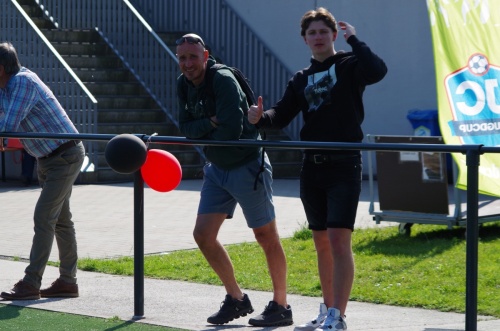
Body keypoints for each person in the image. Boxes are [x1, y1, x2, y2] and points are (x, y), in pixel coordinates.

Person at [248, 8, 387, 331]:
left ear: (334, 35)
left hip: (344, 165)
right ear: (305, 39)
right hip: (312, 167)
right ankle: (326, 309)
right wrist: (259, 117)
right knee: (321, 242)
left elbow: (377, 70)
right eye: (312, 33)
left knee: (339, 241)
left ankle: (338, 316)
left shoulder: (350, 65)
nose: (318, 37)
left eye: (324, 31)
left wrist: (356, 39)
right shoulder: (300, 78)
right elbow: (281, 115)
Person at [176, 33, 293, 327]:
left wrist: (204, 128)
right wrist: (209, 123)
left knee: (266, 236)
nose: (187, 63)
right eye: (182, 57)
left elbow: (229, 131)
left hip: (247, 165)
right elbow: (184, 128)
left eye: (193, 56)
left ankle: (281, 305)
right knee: (203, 235)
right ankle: (237, 299)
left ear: (206, 55)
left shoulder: (223, 79)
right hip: (216, 167)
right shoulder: (183, 84)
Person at [0, 42, 85, 300]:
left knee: (44, 217)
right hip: (47, 158)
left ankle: (31, 282)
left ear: (1, 68)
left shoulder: (22, 83)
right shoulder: (6, 87)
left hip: (64, 155)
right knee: (60, 221)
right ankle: (68, 282)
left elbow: (7, 127)